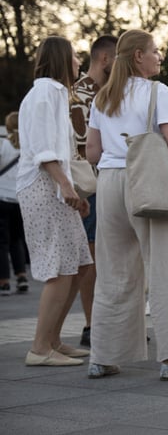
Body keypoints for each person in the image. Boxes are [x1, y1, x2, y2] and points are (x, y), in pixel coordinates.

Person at [86, 29, 168, 380]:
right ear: (138, 56)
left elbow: (92, 152)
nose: (159, 57)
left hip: (108, 182)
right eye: (154, 51)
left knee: (113, 271)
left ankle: (103, 356)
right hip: (146, 182)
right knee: (166, 269)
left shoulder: (102, 97)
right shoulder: (158, 92)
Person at [17, 36, 93, 366]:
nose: (78, 62)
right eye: (75, 56)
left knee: (79, 263)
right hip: (43, 187)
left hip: (54, 187)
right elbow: (43, 149)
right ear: (62, 58)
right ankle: (39, 348)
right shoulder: (46, 92)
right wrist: (66, 186)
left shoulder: (54, 93)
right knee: (60, 268)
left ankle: (53, 339)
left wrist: (69, 188)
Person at [71, 34, 117, 347]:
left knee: (107, 255)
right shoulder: (83, 93)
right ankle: (93, 324)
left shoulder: (103, 91)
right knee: (93, 256)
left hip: (107, 181)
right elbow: (79, 145)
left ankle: (104, 322)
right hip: (93, 184)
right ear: (105, 59)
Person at [0, 112, 28, 296]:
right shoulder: (27, 146)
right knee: (17, 239)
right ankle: (21, 276)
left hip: (2, 197)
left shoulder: (3, 145)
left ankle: (3, 281)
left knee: (1, 242)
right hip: (20, 198)